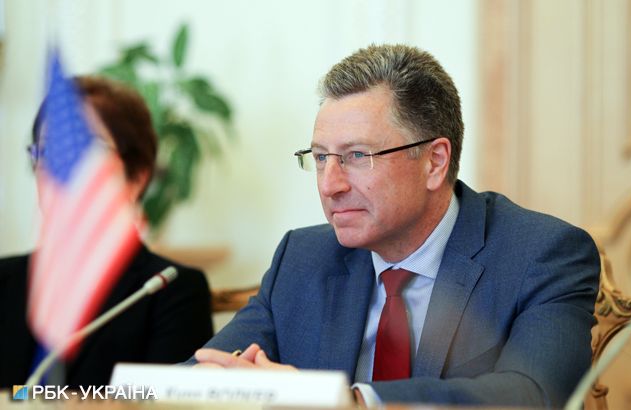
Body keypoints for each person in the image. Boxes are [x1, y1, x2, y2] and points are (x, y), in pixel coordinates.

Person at [188, 44, 600, 408]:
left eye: (356, 156)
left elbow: (533, 396)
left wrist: (347, 403)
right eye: (321, 158)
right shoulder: (301, 258)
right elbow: (197, 376)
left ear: (434, 162)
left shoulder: (541, 256)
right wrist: (164, 392)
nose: (330, 185)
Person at [0, 76, 214, 387]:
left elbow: (160, 402)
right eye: (48, 152)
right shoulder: (4, 281)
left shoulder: (170, 291)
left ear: (136, 177)